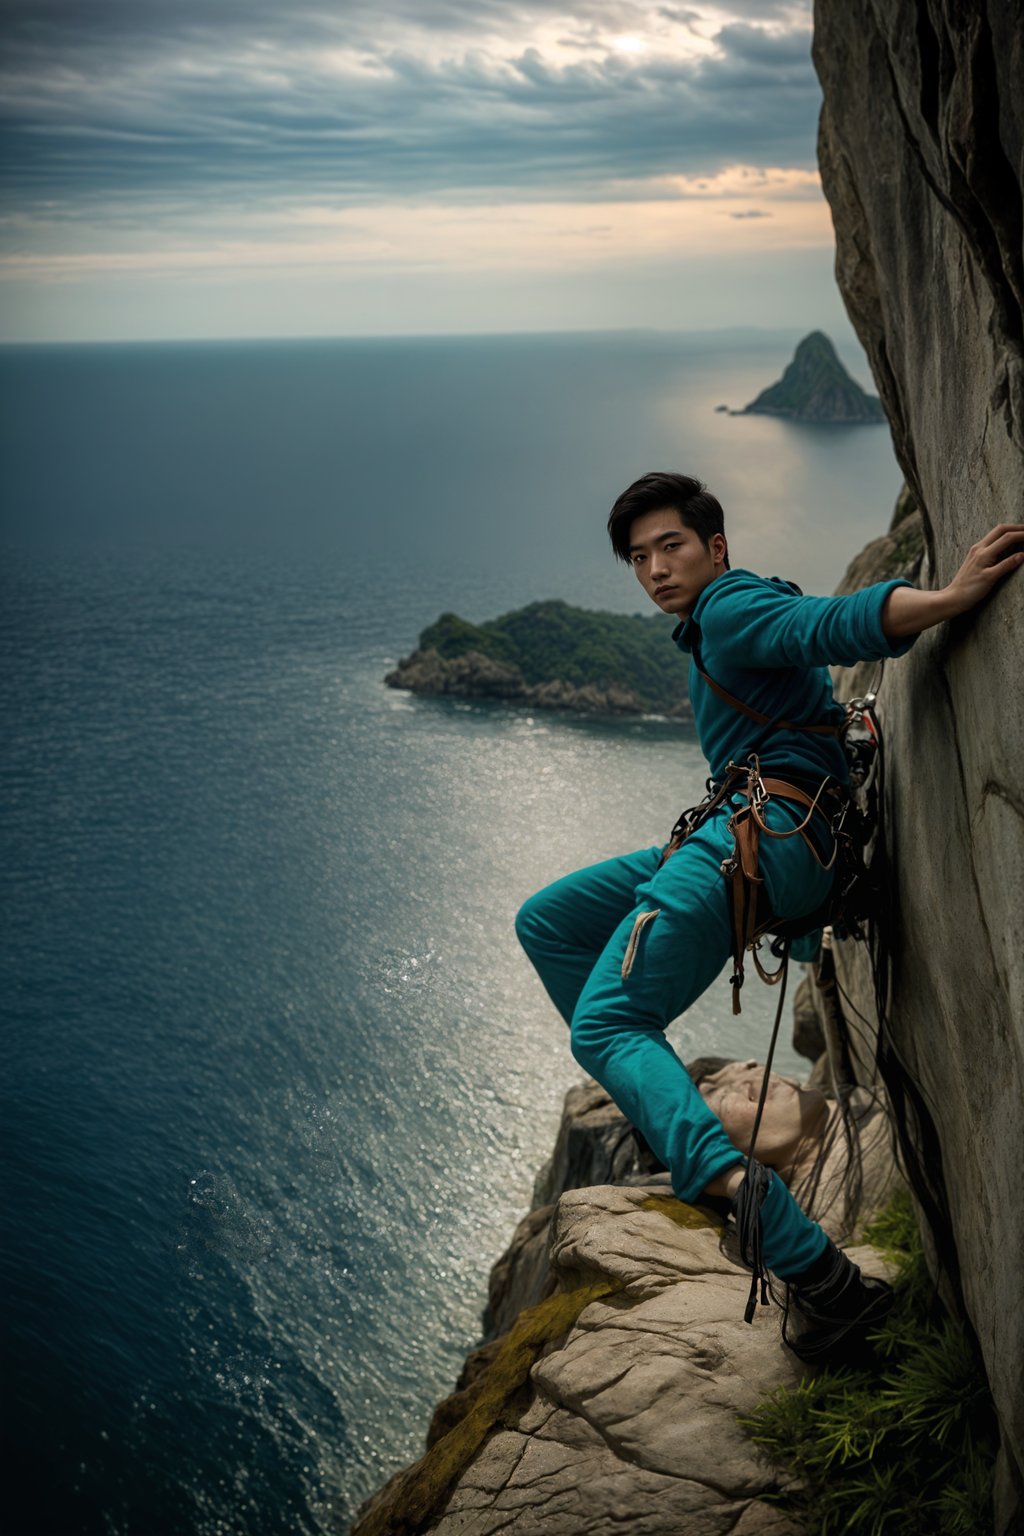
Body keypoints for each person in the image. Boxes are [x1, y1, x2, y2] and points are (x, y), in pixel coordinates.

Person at [515, 472, 1023, 1360]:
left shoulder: (728, 605)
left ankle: (814, 1273)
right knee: (549, 920)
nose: (655, 568)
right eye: (639, 557)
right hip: (754, 833)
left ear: (714, 547)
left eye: (670, 545)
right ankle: (663, 1115)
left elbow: (819, 625)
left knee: (606, 1023)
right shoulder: (715, 621)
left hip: (758, 840)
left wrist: (947, 598)